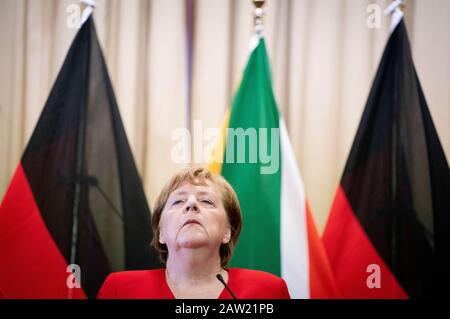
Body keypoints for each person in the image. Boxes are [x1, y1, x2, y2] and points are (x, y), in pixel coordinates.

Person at [97, 167, 290, 299]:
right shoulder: (120, 290)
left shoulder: (268, 290)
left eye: (207, 201)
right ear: (161, 232)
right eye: (178, 201)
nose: (191, 204)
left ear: (227, 232)